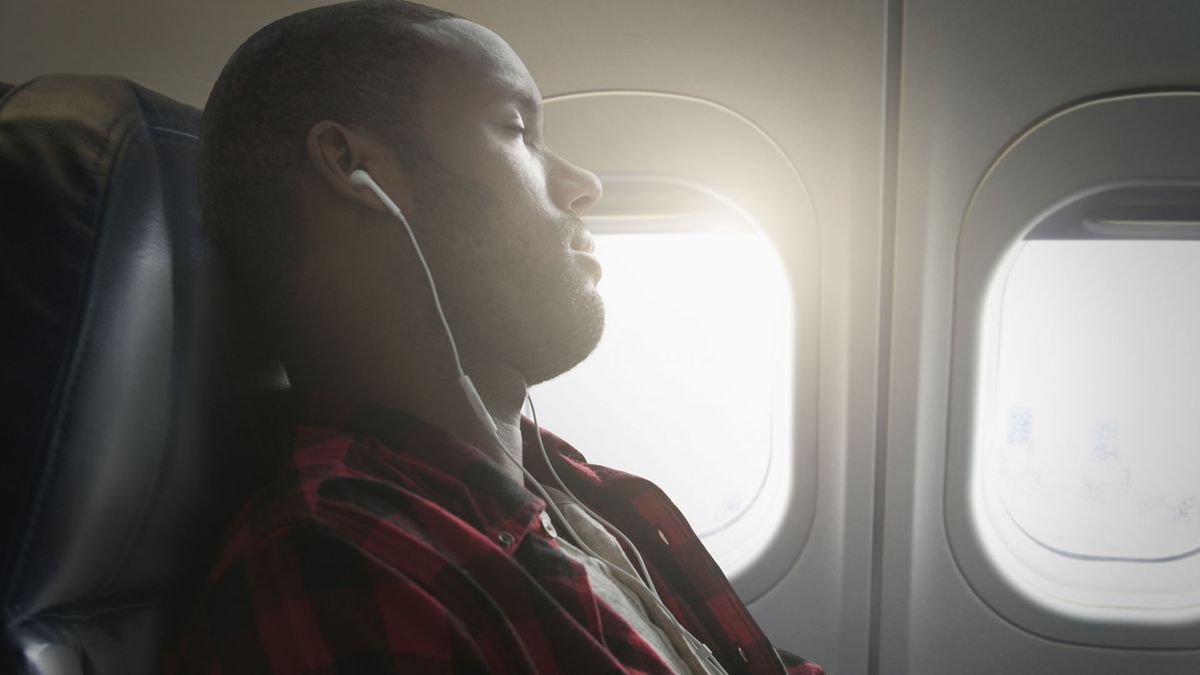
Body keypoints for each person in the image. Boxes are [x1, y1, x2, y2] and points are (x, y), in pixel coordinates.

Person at [169, 2, 825, 673]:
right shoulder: (340, 561)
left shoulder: (580, 493)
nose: (585, 185)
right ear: (351, 165)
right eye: (516, 129)